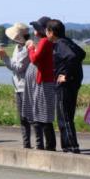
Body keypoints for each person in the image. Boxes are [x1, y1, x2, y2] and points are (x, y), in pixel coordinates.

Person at [50, 19, 85, 153]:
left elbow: (73, 56)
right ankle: (70, 146)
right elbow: (82, 53)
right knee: (67, 117)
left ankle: (71, 146)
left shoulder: (60, 44)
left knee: (63, 117)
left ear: (51, 32)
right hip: (72, 84)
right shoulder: (68, 41)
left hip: (64, 86)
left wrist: (66, 74)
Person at [27, 16, 59, 151]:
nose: (33, 30)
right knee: (43, 114)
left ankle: (50, 146)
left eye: (35, 28)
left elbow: (34, 59)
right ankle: (48, 145)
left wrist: (30, 48)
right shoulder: (45, 42)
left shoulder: (44, 42)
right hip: (45, 80)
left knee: (44, 115)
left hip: (44, 81)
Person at [0, 22, 33, 148]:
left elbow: (18, 67)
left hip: (25, 87)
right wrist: (5, 58)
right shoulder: (18, 47)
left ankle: (38, 143)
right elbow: (14, 66)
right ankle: (26, 143)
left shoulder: (26, 49)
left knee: (29, 117)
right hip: (18, 86)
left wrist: (5, 58)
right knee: (22, 118)